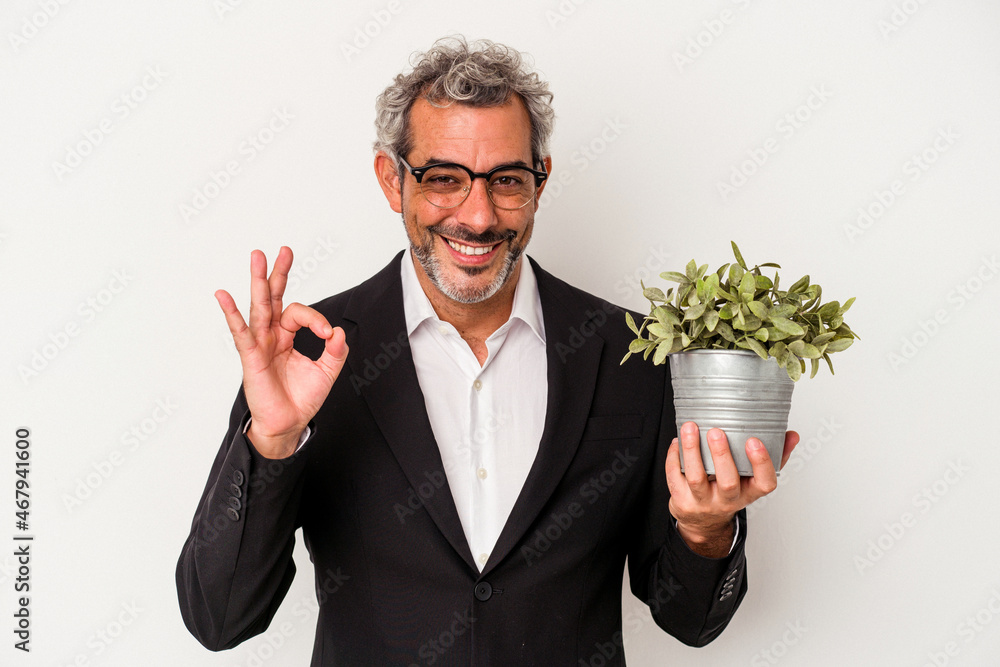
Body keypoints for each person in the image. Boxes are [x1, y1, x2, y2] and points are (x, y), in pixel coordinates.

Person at [176, 36, 798, 666]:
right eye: (444, 179)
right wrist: (272, 442)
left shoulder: (632, 354)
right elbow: (220, 618)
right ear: (392, 180)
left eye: (505, 180)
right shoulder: (307, 355)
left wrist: (705, 529)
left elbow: (690, 620)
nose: (478, 217)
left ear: (540, 182)